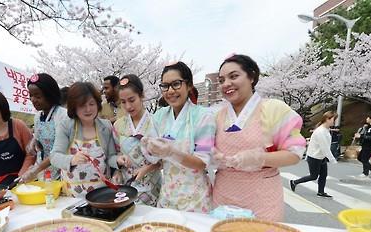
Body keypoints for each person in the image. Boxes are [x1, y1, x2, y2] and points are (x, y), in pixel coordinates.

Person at [212, 54, 306, 222]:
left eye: (234, 76)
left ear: (252, 77)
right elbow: (205, 149)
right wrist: (211, 156)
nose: (226, 84)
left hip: (262, 197)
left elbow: (294, 153)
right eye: (221, 80)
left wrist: (259, 158)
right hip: (224, 194)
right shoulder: (217, 116)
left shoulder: (274, 109)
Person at [141, 61, 216, 213]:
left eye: (176, 84)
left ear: (189, 85)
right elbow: (154, 158)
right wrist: (148, 147)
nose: (170, 91)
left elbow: (202, 162)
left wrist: (170, 152)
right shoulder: (159, 116)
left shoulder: (203, 116)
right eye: (165, 86)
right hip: (168, 194)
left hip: (196, 199)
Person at [49, 82, 126, 197]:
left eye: (91, 104)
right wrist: (72, 160)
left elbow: (110, 157)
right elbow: (54, 156)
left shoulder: (105, 126)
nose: (88, 109)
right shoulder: (66, 126)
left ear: (97, 104)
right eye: (82, 105)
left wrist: (118, 160)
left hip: (101, 192)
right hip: (73, 193)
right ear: (74, 107)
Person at [112, 74, 162, 206]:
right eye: (123, 102)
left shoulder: (156, 122)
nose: (128, 106)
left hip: (152, 185)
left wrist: (147, 168)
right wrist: (117, 168)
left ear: (142, 95)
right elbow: (116, 152)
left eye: (132, 100)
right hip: (127, 185)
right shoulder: (118, 125)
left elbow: (165, 159)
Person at [20, 73, 66, 182]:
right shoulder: (37, 117)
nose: (33, 99)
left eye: (38, 96)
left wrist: (35, 170)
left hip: (62, 170)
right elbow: (41, 141)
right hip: (44, 169)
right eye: (30, 95)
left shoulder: (62, 115)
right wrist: (34, 142)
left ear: (50, 94)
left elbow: (59, 149)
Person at [290, 111, 338, 198]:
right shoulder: (321, 131)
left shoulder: (325, 129)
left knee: (323, 175)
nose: (334, 121)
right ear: (327, 119)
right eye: (333, 119)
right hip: (314, 157)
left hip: (320, 156)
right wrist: (332, 160)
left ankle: (321, 192)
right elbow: (325, 148)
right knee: (313, 176)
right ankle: (294, 182)